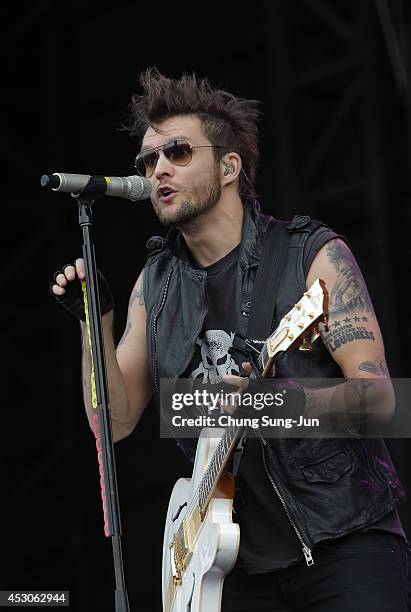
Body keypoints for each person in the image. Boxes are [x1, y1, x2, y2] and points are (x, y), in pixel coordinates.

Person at [51, 67, 410, 611]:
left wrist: (273, 405)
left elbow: (382, 401)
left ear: (228, 166)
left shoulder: (311, 256)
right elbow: (113, 423)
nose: (158, 170)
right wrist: (93, 320)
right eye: (148, 161)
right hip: (228, 568)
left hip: (343, 544)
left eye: (176, 152)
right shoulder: (156, 285)